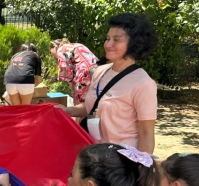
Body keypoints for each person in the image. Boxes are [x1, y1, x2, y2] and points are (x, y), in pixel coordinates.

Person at [62, 14, 158, 153]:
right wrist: (67, 111)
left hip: (120, 160)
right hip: (93, 153)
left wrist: (142, 164)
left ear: (134, 44)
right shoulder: (100, 71)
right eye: (107, 38)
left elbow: (146, 132)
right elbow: (92, 106)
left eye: (116, 40)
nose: (108, 45)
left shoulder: (143, 83)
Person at [51, 38, 98, 104]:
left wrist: (72, 90)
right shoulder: (77, 45)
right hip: (97, 70)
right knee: (94, 98)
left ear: (54, 47)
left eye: (51, 53)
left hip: (83, 72)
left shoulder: (60, 50)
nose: (52, 56)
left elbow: (66, 72)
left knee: (80, 102)